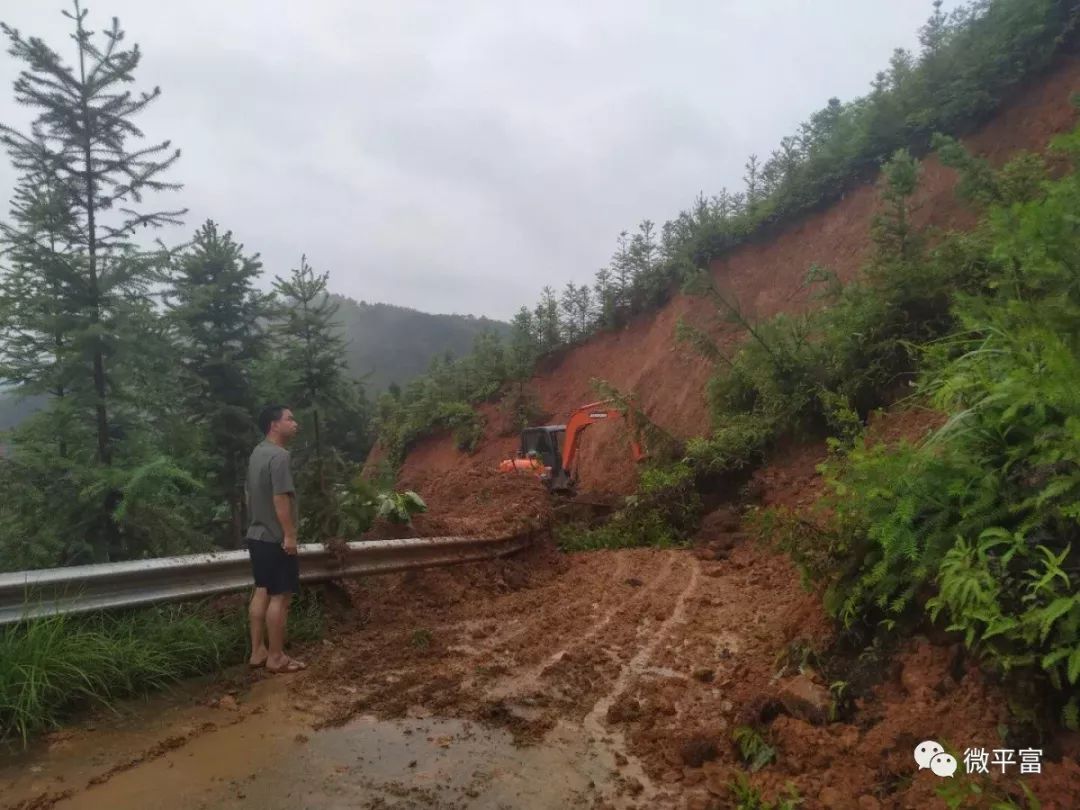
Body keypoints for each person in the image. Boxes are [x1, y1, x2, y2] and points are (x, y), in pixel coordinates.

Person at [245, 404, 306, 674]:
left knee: (261, 591)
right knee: (280, 597)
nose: (295, 423)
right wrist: (290, 534)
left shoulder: (257, 452)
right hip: (276, 538)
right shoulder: (280, 456)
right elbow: (280, 497)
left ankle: (257, 651)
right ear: (274, 425)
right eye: (289, 419)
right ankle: (276, 657)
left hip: (257, 535)